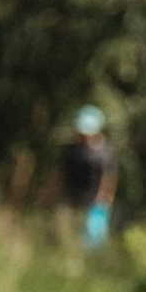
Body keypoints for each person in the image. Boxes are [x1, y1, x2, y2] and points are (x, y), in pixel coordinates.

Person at [57, 106, 114, 248]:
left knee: (90, 241)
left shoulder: (103, 153)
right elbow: (60, 172)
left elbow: (108, 178)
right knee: (64, 232)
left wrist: (103, 200)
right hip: (69, 197)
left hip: (93, 202)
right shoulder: (71, 149)